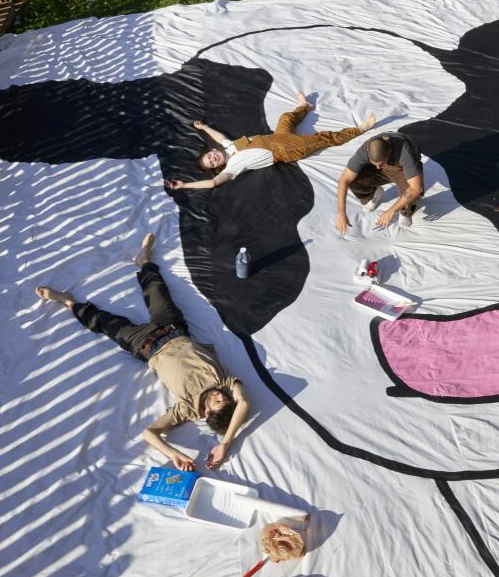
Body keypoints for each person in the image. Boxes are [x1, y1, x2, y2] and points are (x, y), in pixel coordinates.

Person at [36, 233, 249, 471]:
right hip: (174, 328)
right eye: (226, 397)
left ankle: (68, 302)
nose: (222, 395)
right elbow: (243, 402)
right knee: (157, 288)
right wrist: (225, 443)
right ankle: (144, 260)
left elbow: (150, 433)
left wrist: (173, 453)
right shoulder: (223, 381)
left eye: (219, 401)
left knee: (104, 322)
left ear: (207, 410)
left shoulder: (187, 407)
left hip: (145, 345)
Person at [166, 92, 376, 191]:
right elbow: (212, 183)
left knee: (286, 118)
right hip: (285, 150)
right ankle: (359, 129)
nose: (213, 158)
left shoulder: (229, 146)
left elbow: (219, 138)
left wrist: (203, 128)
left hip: (277, 137)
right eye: (212, 162)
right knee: (323, 138)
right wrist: (184, 185)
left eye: (209, 156)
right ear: (217, 167)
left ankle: (304, 107)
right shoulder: (232, 166)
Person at [334, 132, 425, 233]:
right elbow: (344, 180)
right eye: (375, 164)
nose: (378, 167)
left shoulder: (406, 151)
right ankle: (372, 195)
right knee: (354, 180)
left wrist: (390, 211)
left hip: (401, 170)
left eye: (381, 163)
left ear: (389, 151)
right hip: (382, 171)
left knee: (412, 193)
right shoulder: (366, 149)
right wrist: (341, 213)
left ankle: (405, 212)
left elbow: (416, 188)